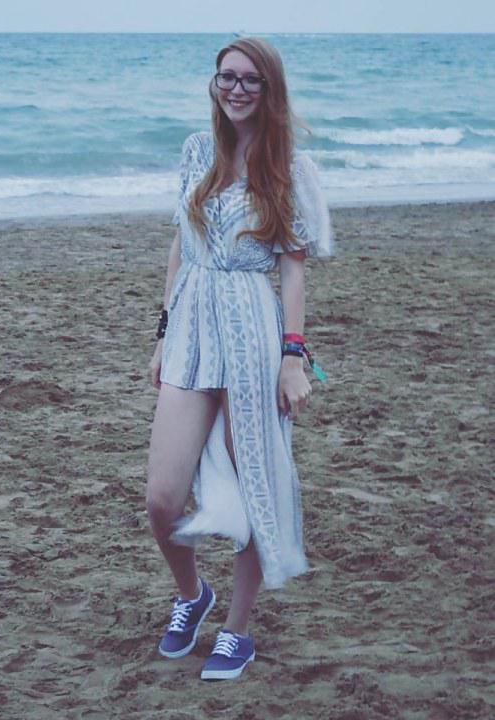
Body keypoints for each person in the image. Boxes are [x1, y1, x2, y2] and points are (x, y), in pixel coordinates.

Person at [146, 37, 333, 682]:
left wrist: (292, 358)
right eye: (227, 77)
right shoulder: (197, 152)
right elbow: (180, 245)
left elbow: (293, 272)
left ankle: (238, 629)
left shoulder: (291, 170)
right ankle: (192, 594)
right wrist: (164, 333)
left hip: (253, 328)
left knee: (257, 479)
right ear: (215, 84)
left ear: (269, 89)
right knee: (162, 498)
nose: (237, 89)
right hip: (192, 324)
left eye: (251, 79)